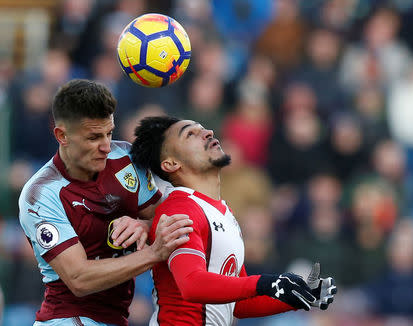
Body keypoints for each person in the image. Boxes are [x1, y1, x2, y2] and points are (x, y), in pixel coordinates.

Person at [130, 116, 337, 325]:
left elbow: (239, 304)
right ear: (171, 163)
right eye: (190, 134)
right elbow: (192, 284)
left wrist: (300, 296)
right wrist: (264, 283)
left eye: (203, 128)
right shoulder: (180, 208)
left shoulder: (223, 212)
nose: (208, 132)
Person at [18, 79, 193, 326]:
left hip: (116, 317)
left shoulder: (126, 159)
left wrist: (145, 225)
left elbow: (172, 215)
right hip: (69, 318)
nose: (106, 146)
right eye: (93, 137)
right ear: (62, 135)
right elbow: (79, 279)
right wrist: (154, 253)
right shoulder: (41, 194)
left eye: (109, 132)